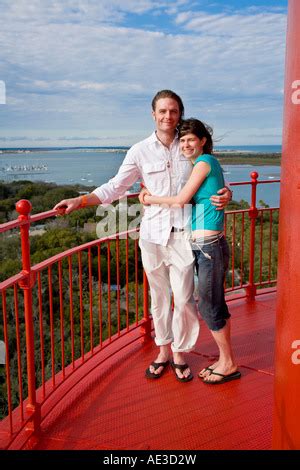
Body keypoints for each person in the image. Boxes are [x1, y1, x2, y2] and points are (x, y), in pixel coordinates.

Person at [53, 90, 232, 382]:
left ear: (180, 114)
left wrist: (225, 193)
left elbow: (210, 179)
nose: (168, 116)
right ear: (153, 114)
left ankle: (180, 353)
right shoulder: (139, 151)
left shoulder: (188, 147)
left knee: (185, 299)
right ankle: (163, 351)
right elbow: (115, 187)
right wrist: (80, 201)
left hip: (184, 235)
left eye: (173, 111)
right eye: (162, 111)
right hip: (152, 235)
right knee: (158, 297)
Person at [140, 118, 240, 384]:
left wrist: (148, 199)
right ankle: (225, 359)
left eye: (190, 140)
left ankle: (228, 363)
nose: (185, 144)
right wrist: (226, 193)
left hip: (208, 246)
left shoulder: (204, 162)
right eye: (181, 140)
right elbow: (207, 193)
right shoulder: (204, 165)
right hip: (204, 245)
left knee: (209, 305)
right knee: (213, 302)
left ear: (203, 141)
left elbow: (181, 199)